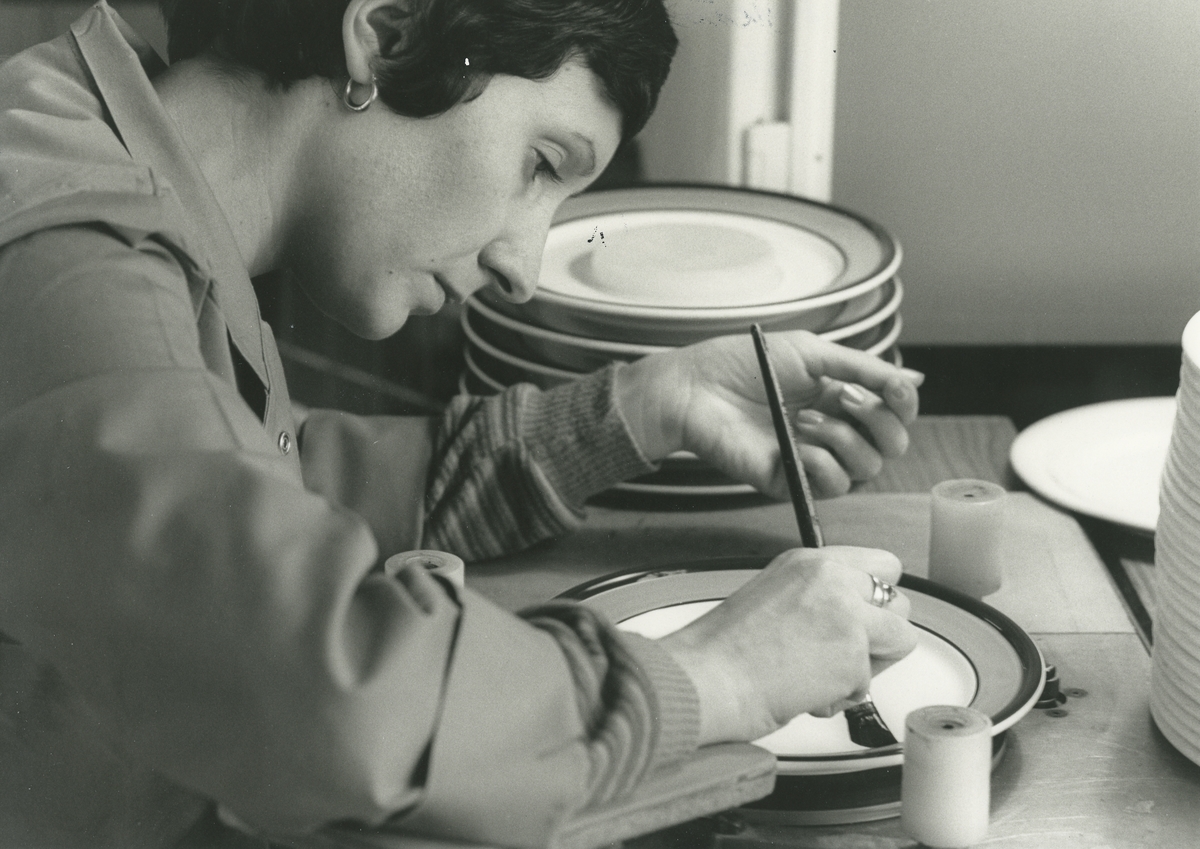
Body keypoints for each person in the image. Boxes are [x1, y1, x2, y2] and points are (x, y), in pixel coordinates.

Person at [0, 1, 923, 846]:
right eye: (541, 163)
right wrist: (720, 673)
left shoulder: (107, 152)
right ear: (387, 34)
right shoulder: (71, 252)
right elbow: (320, 697)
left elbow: (234, 493)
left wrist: (639, 409)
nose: (523, 266)